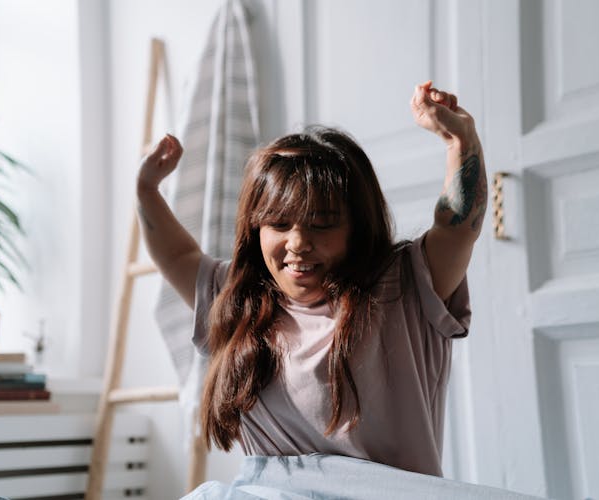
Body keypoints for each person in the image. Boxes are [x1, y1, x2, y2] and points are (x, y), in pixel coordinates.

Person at [136, 80, 487, 478]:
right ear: (256, 230)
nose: (298, 243)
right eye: (280, 224)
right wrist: (147, 189)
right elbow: (178, 255)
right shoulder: (239, 297)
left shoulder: (404, 285)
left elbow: (458, 227)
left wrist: (461, 140)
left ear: (357, 227)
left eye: (322, 224)